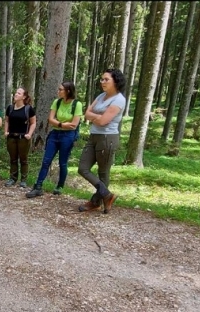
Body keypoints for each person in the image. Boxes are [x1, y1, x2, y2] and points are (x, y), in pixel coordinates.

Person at [78, 68, 126, 213]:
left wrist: (95, 117)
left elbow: (104, 121)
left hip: (107, 138)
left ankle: (96, 202)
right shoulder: (101, 96)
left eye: (106, 79)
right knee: (83, 168)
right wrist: (96, 117)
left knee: (103, 172)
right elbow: (86, 114)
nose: (103, 82)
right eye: (102, 79)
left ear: (115, 81)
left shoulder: (119, 99)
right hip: (94, 136)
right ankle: (107, 195)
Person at [26, 81, 83, 198]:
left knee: (63, 162)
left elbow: (74, 125)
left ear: (68, 91)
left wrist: (59, 124)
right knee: (46, 160)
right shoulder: (57, 102)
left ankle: (59, 186)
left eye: (60, 89)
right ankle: (38, 187)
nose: (58, 91)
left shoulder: (76, 104)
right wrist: (63, 124)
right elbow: (50, 119)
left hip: (68, 136)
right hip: (55, 134)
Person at [3, 88, 37, 188]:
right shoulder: (10, 108)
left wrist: (29, 134)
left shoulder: (28, 109)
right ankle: (12, 178)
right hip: (11, 137)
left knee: (23, 159)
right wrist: (6, 131)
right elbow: (7, 120)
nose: (16, 94)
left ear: (24, 96)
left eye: (19, 93)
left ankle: (23, 180)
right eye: (16, 92)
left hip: (23, 138)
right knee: (13, 159)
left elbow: (33, 123)